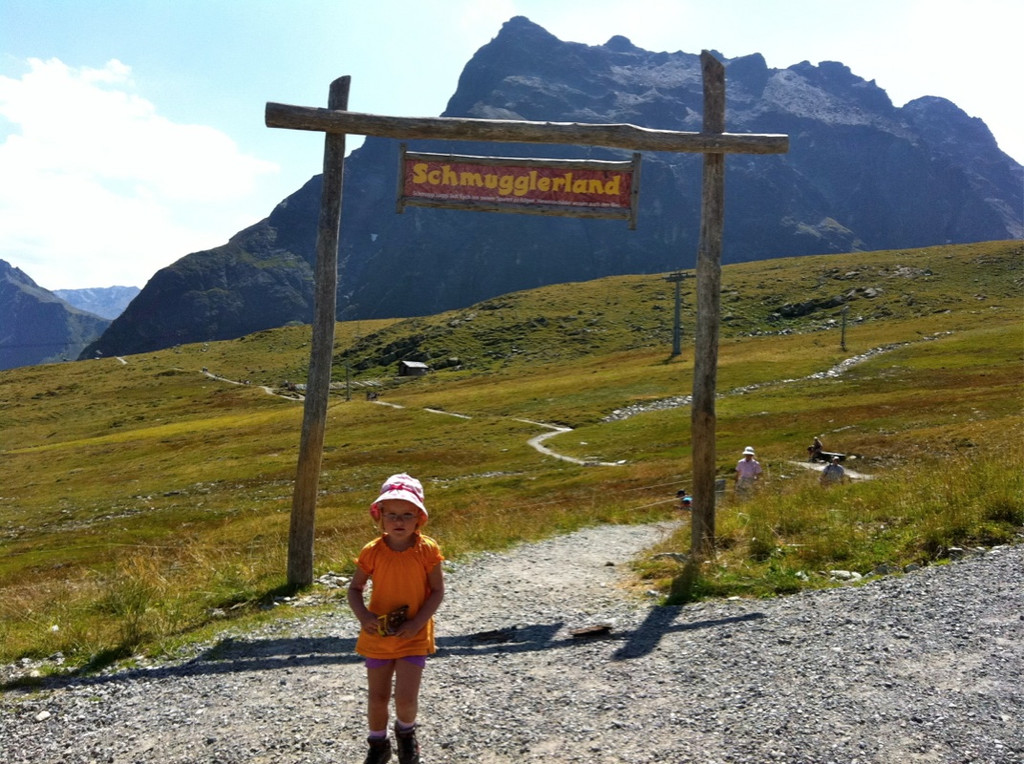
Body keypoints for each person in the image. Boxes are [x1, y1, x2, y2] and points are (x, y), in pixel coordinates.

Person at [347, 473, 445, 764]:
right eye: (391, 514)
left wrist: (417, 623)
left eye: (406, 514)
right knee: (376, 698)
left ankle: (406, 736)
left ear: (419, 518)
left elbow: (438, 591)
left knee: (405, 699)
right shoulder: (372, 551)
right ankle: (378, 745)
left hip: (412, 635)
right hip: (377, 635)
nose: (398, 521)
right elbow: (354, 589)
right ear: (380, 517)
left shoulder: (427, 549)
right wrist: (364, 615)